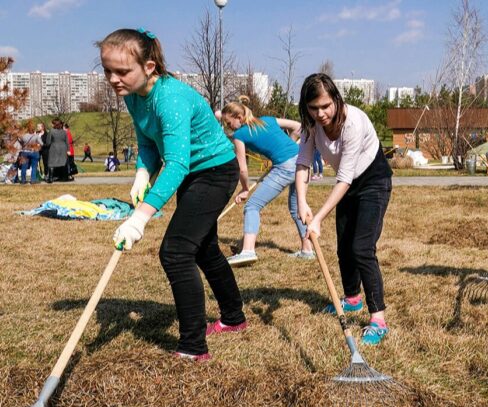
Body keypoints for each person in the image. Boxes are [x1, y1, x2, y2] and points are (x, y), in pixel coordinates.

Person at [99, 27, 246, 361]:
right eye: (108, 70)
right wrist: (141, 172)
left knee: (176, 252)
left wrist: (139, 218)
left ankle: (193, 347)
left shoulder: (170, 99)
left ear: (149, 67)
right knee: (204, 249)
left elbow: (177, 163)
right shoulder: (134, 96)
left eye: (122, 71)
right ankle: (234, 319)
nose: (113, 79)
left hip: (215, 170)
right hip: (193, 173)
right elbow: (149, 142)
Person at [295, 73, 393, 345]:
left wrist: (318, 218)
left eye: (326, 106)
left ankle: (378, 319)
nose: (321, 113)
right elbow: (303, 163)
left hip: (373, 180)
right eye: (314, 108)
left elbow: (345, 178)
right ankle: (351, 299)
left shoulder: (354, 122)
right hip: (348, 183)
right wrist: (302, 201)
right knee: (343, 247)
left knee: (362, 247)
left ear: (336, 100)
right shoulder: (311, 125)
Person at [221, 96, 314, 266]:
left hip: (286, 167)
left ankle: (248, 251)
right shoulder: (267, 120)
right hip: (302, 162)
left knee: (252, 206)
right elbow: (298, 126)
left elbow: (242, 168)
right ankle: (307, 250)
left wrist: (244, 189)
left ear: (239, 118)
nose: (228, 127)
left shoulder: (239, 134)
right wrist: (289, 143)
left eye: (228, 123)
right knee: (296, 209)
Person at [44, 119, 68, 183]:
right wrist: (67, 150)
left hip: (54, 148)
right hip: (63, 148)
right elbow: (67, 141)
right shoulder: (64, 132)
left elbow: (48, 142)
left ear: (55, 124)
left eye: (52, 123)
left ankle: (50, 178)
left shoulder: (51, 131)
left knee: (51, 163)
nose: (51, 125)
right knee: (63, 162)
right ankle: (64, 177)